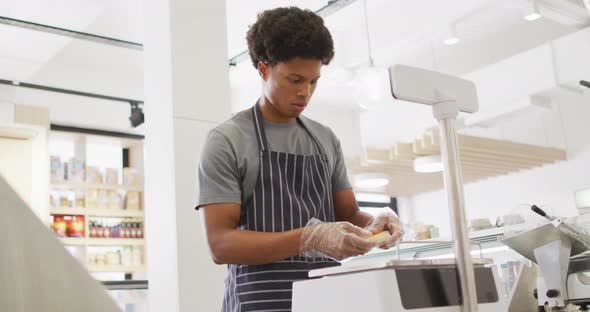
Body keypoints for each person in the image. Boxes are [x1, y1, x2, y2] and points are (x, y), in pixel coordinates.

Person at [195, 7, 403, 312]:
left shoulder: (325, 139)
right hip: (257, 303)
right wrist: (308, 238)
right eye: (294, 80)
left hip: (324, 301)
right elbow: (221, 244)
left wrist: (377, 224)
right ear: (263, 70)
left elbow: (347, 214)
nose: (305, 92)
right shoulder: (228, 140)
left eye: (313, 81)